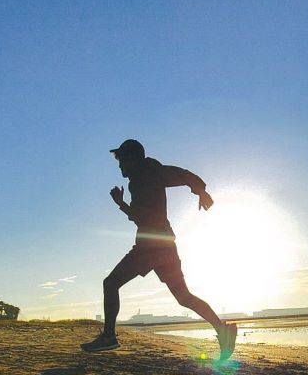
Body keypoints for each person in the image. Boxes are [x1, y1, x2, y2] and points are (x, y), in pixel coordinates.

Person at [82, 139, 238, 360]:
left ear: (133, 159)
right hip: (164, 246)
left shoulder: (145, 176)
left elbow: (140, 217)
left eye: (122, 161)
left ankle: (109, 337)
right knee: (183, 297)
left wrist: (120, 203)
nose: (120, 166)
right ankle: (222, 329)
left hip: (150, 248)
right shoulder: (150, 173)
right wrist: (200, 190)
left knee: (111, 283)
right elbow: (182, 174)